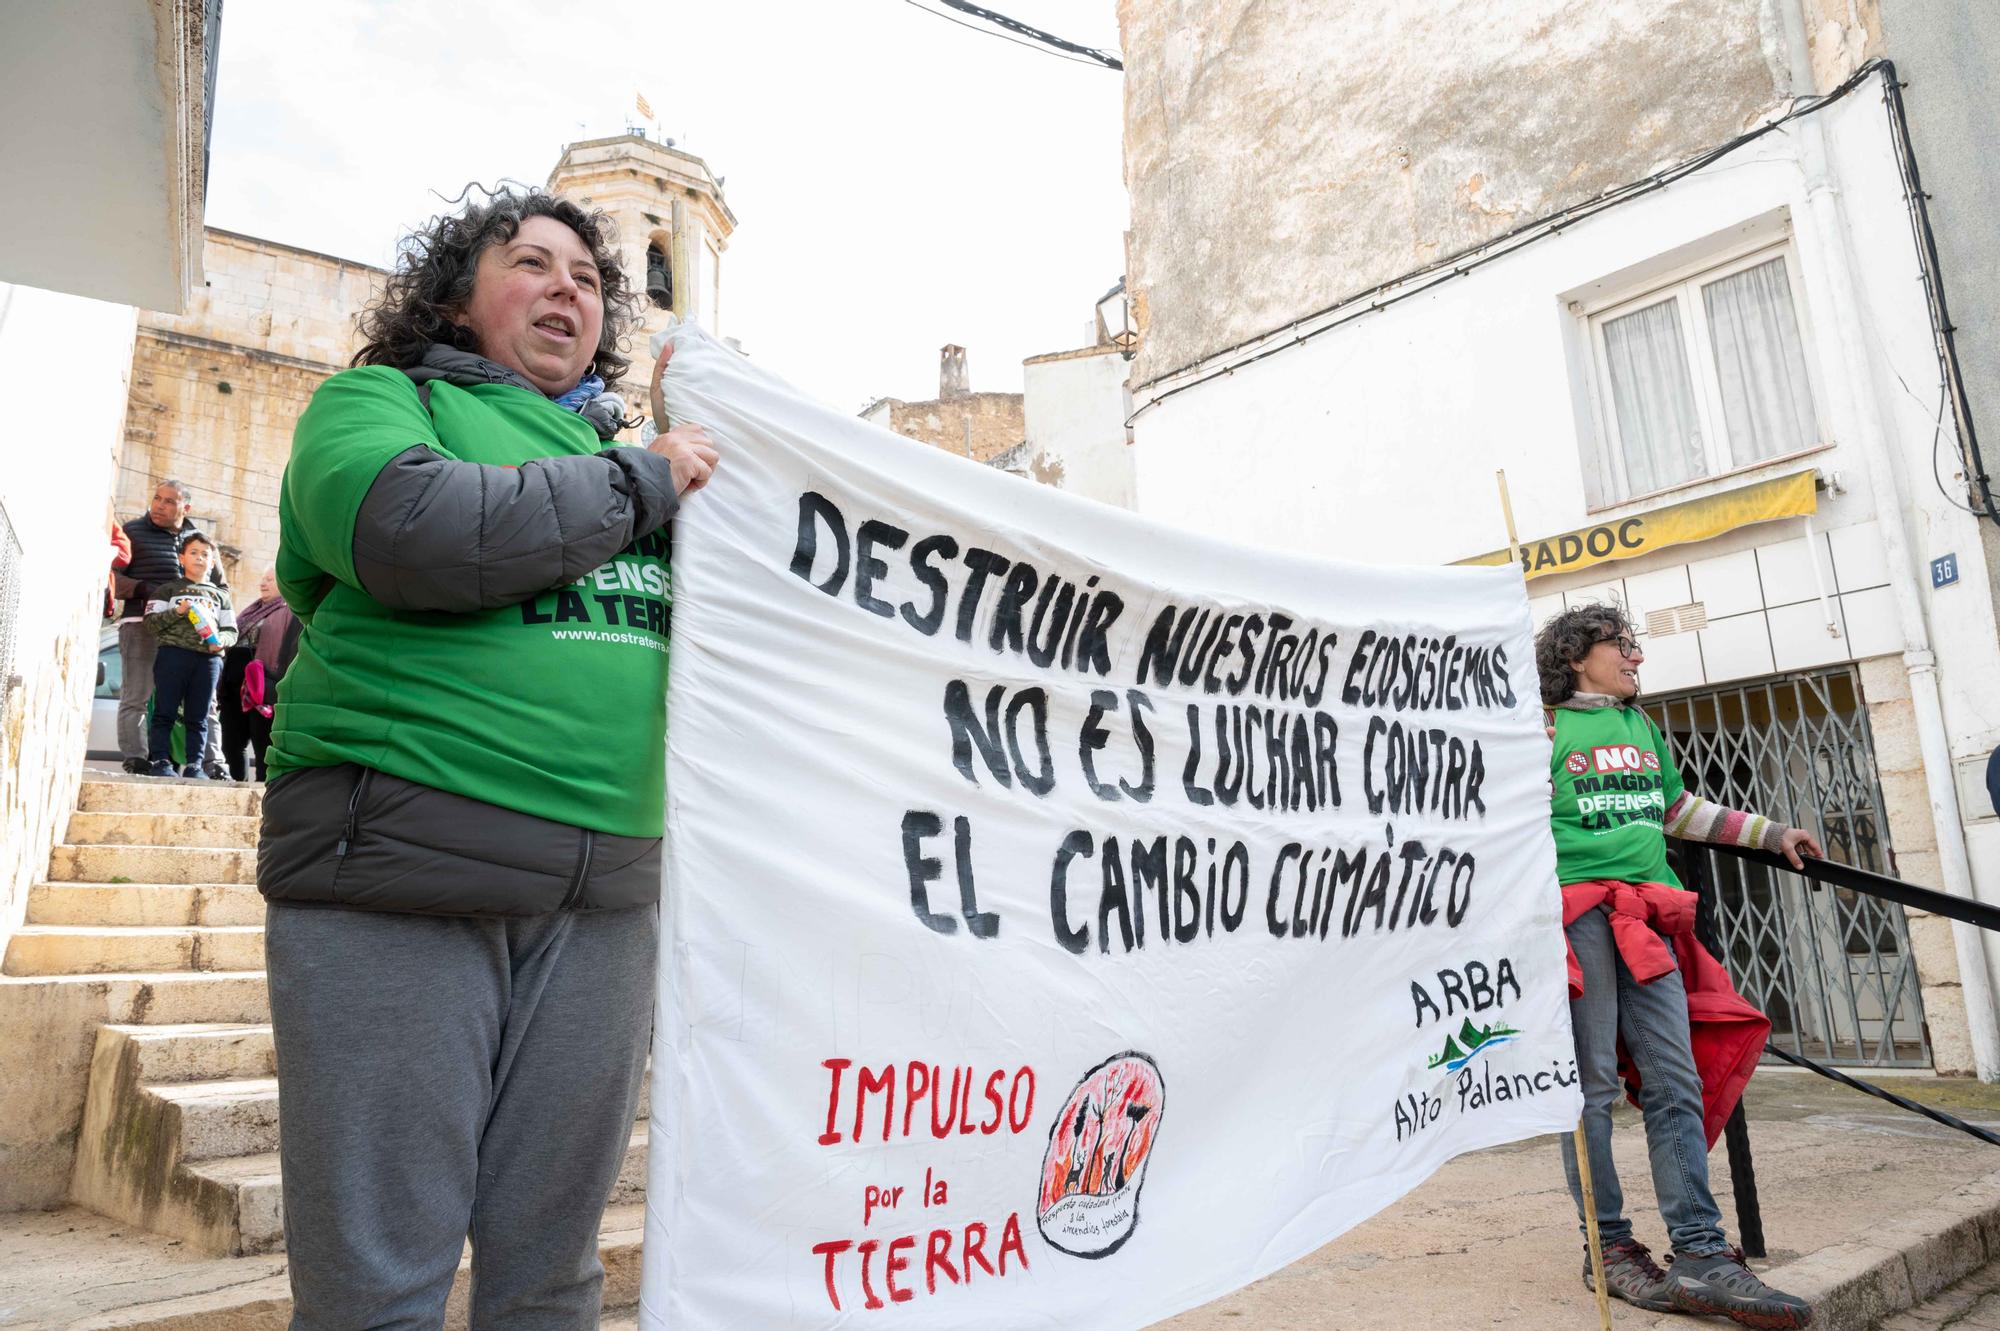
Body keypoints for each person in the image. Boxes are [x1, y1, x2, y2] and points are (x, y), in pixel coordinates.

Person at [257, 186, 717, 1329]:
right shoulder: (379, 401)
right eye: (532, 263)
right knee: (381, 1277)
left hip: (602, 899)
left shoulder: (642, 460)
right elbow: (410, 530)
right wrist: (644, 479)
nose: (571, 286)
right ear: (458, 306)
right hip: (403, 868)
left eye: (589, 276)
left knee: (551, 1273)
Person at [1539, 603, 1818, 1329]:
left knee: (1675, 1080)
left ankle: (1699, 1251)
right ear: (1576, 655)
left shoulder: (1640, 726)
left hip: (1648, 917)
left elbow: (1678, 809)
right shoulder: (1536, 727)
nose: (1636, 657)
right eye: (1621, 645)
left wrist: (1771, 833)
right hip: (1575, 922)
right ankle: (1608, 1248)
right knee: (1591, 1087)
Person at [114, 479, 231, 777]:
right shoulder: (133, 532)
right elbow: (112, 578)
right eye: (156, 498)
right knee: (136, 695)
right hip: (141, 623)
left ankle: (211, 763)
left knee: (206, 703)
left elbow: (222, 588)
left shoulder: (201, 541)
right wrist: (144, 589)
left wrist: (218, 632)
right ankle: (138, 759)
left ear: (185, 507)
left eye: (168, 501)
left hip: (195, 637)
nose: (159, 506)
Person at [142, 532, 237, 778]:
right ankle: (160, 761)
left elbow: (231, 631)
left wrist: (220, 643)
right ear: (181, 558)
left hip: (207, 660)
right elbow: (151, 623)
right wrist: (177, 612)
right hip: (172, 656)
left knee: (200, 715)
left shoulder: (220, 596)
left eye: (205, 554)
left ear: (213, 562)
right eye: (193, 553)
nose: (199, 558)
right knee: (165, 711)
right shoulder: (167, 591)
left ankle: (195, 765)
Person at [219, 568, 285, 781]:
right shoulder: (251, 610)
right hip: (234, 687)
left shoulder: (289, 611)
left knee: (262, 743)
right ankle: (236, 786)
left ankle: (261, 791)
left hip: (263, 689)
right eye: (262, 579)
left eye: (270, 580)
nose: (263, 583)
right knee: (231, 743)